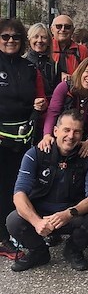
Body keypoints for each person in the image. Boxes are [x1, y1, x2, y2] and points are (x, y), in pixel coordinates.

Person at [7, 110, 88, 272]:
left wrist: (68, 214)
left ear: (82, 135)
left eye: (77, 131)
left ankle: (73, 250)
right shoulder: (35, 154)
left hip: (70, 214)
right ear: (56, 131)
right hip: (40, 214)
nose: (71, 136)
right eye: (66, 130)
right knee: (14, 220)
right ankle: (39, 252)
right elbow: (19, 194)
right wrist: (37, 222)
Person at [0, 18, 46, 258]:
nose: (10, 41)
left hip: (24, 136)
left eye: (15, 37)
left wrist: (39, 105)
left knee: (19, 186)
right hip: (1, 135)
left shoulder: (29, 68)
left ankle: (17, 230)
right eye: (5, 36)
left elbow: (39, 99)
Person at [39, 57, 88, 160]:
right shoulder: (64, 87)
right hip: (64, 135)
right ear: (81, 71)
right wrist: (47, 135)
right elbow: (53, 111)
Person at [51, 14, 88, 83]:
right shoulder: (46, 48)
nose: (63, 30)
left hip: (73, 90)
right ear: (52, 29)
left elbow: (86, 74)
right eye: (59, 26)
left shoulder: (82, 51)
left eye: (67, 27)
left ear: (73, 30)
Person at [26, 22, 57, 100]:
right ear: (29, 39)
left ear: (49, 41)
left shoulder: (54, 65)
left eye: (43, 37)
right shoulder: (22, 62)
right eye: (36, 37)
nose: (39, 40)